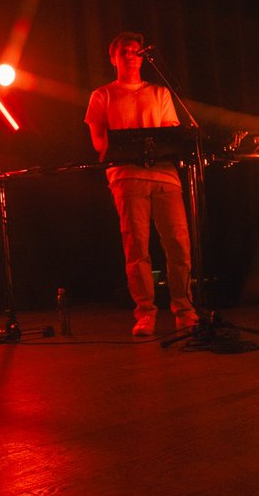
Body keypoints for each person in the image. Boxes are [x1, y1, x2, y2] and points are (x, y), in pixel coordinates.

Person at [84, 32, 198, 337]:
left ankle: (184, 310)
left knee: (178, 245)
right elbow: (98, 141)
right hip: (126, 177)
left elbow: (170, 136)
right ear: (114, 58)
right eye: (125, 52)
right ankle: (146, 313)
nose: (131, 56)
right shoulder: (102, 95)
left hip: (165, 176)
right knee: (137, 248)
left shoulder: (160, 92)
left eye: (136, 51)